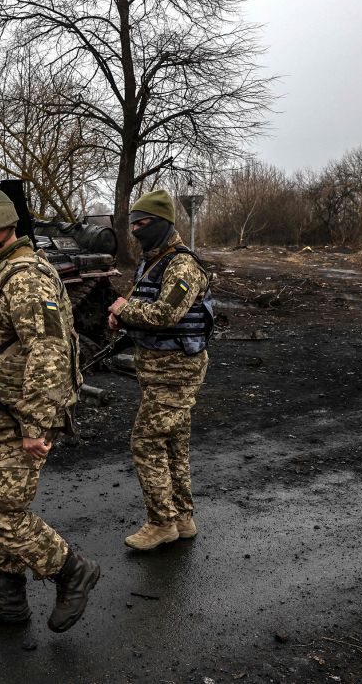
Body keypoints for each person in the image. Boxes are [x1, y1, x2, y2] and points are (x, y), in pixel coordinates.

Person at [0, 186, 101, 633]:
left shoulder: (26, 277)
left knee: (3, 513)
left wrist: (36, 425)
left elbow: (49, 354)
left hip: (18, 420)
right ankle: (9, 599)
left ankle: (72, 571)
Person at [107, 189, 214, 551]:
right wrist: (123, 317)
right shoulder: (155, 260)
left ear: (163, 223)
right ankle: (182, 517)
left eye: (142, 223)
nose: (136, 230)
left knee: (146, 441)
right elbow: (145, 305)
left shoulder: (181, 265)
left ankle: (160, 523)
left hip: (176, 372)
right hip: (158, 371)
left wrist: (123, 310)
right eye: (133, 223)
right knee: (173, 445)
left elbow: (168, 314)